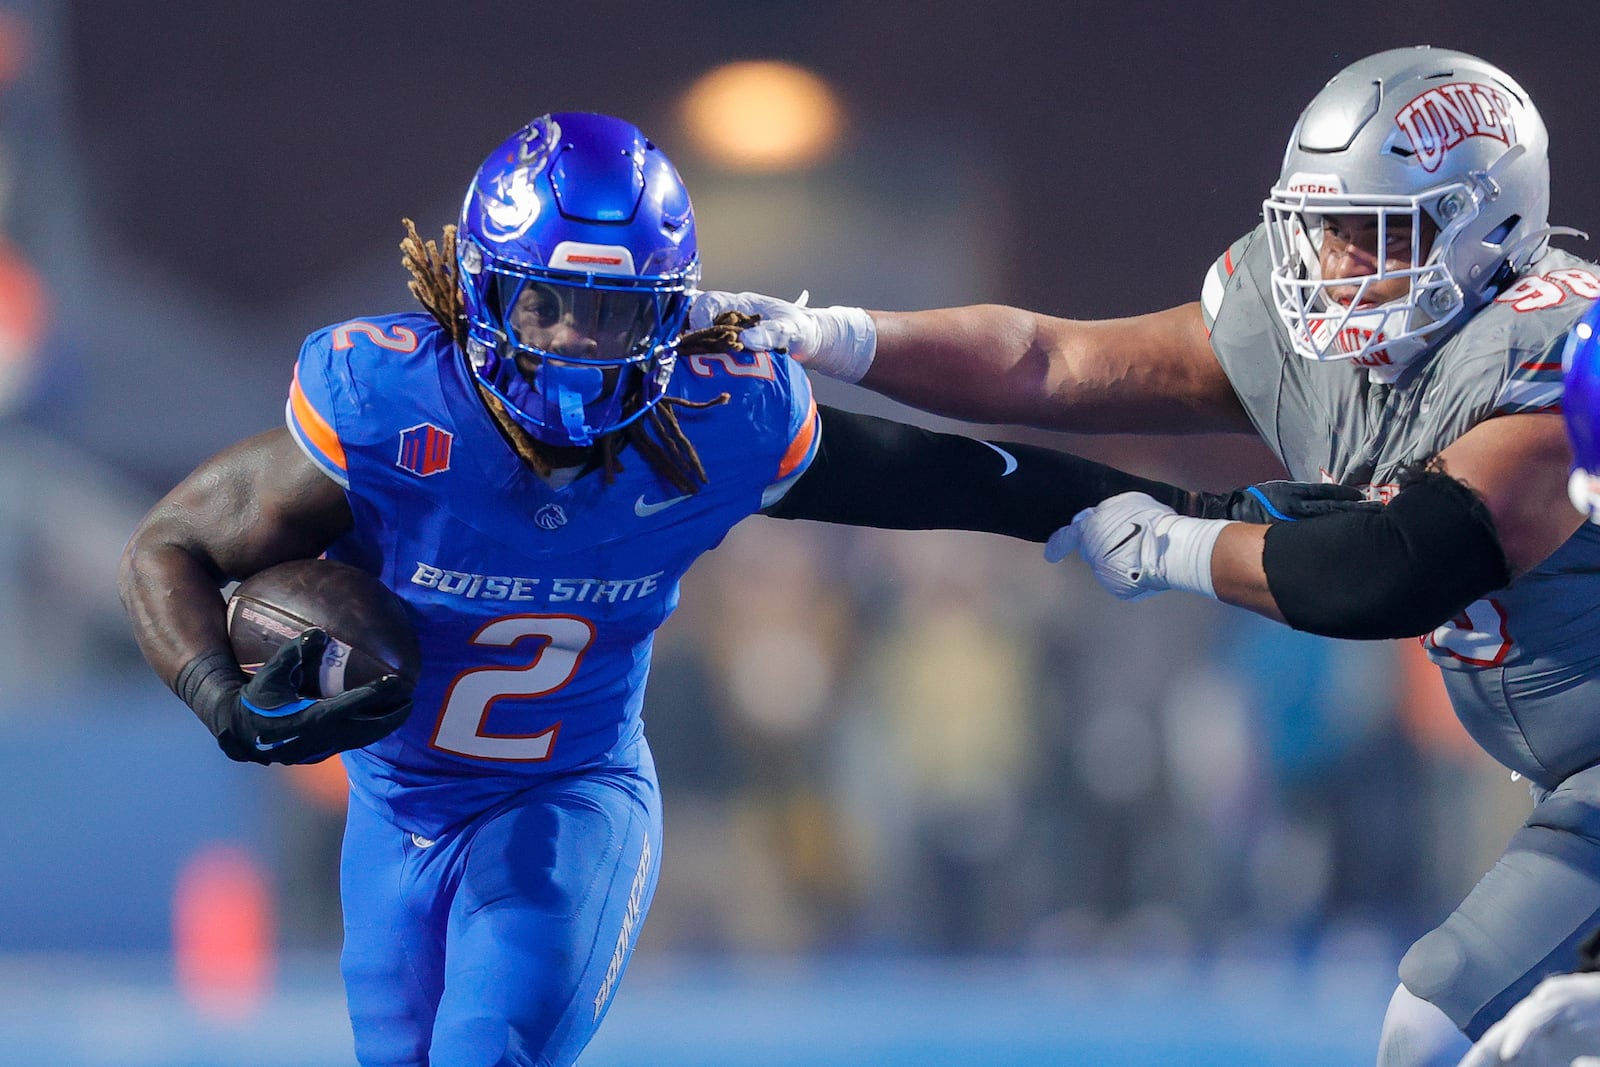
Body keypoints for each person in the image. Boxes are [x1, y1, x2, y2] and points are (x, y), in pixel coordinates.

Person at [114, 112, 1327, 1067]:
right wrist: (222, 696)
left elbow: (944, 475)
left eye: (616, 312)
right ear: (476, 293)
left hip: (563, 797)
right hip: (395, 807)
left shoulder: (715, 421)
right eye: (551, 304)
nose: (581, 350)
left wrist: (1193, 515)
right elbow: (166, 547)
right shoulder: (393, 412)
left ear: (673, 312)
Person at [694, 46, 1600, 1067]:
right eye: (1323, 228)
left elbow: (1393, 565)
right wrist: (839, 337)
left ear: (1488, 231)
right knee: (1432, 1034)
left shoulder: (1559, 355)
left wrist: (1172, 540)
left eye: (1376, 235)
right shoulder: (1314, 321)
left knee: (1458, 1034)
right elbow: (1053, 360)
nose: (1333, 265)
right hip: (1573, 778)